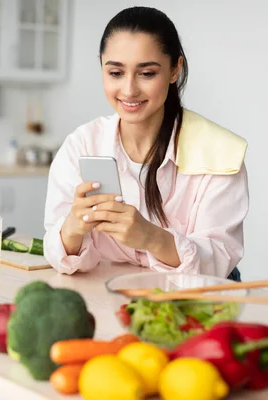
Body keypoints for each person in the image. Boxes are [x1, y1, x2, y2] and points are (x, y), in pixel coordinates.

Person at [43, 6, 248, 281]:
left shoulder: (219, 153)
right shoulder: (82, 145)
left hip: (197, 299)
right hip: (116, 292)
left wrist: (151, 238)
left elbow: (218, 259)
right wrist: (73, 228)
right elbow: (64, 258)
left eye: (147, 73)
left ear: (175, 69)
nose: (129, 90)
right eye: (115, 73)